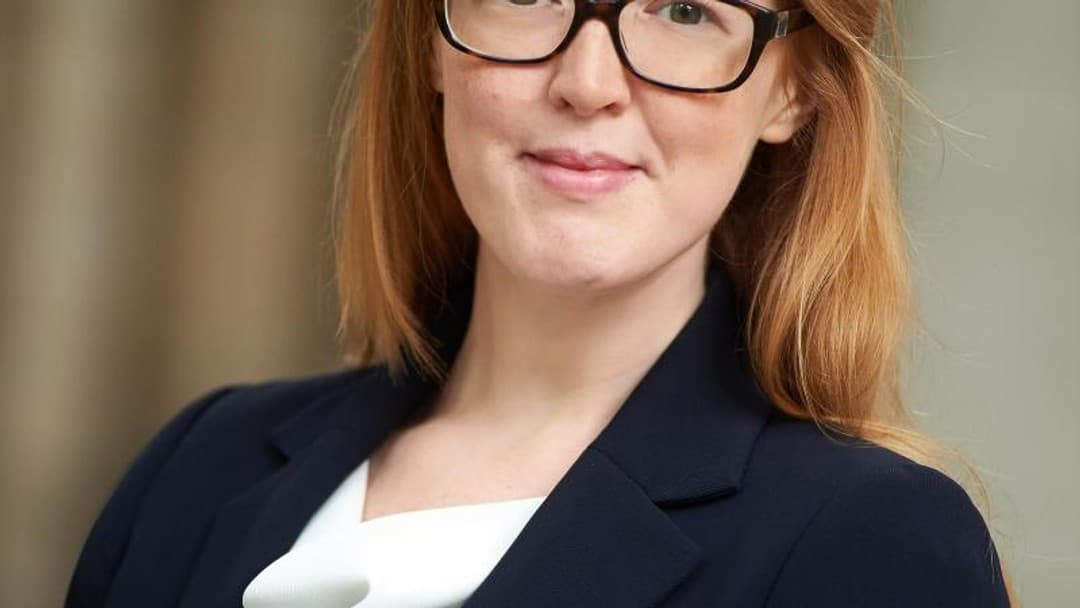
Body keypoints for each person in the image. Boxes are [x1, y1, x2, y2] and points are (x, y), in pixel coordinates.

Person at [65, 0, 1015, 606]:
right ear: (430, 43)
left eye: (686, 9)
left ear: (792, 90)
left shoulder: (871, 542)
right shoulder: (198, 466)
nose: (587, 84)